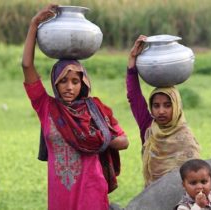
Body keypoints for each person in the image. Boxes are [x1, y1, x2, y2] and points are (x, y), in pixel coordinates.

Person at [22, 4, 129, 210]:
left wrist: (99, 137)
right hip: (60, 192)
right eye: (63, 81)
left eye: (75, 81)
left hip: (91, 188)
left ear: (83, 83)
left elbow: (124, 141)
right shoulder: (46, 107)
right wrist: (34, 25)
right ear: (55, 82)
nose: (69, 87)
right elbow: (27, 66)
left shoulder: (96, 109)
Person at [126, 35, 200, 186]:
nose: (161, 111)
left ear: (177, 106)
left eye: (167, 105)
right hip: (151, 198)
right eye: (156, 105)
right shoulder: (148, 128)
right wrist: (133, 59)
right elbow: (134, 98)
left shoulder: (186, 139)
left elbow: (196, 181)